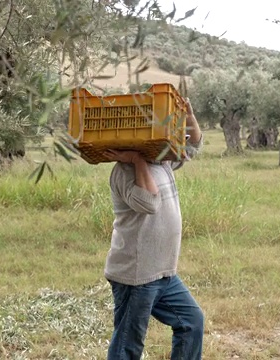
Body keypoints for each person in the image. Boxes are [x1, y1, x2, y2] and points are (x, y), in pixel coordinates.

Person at [102, 98, 204, 360]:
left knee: (191, 322)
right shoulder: (124, 171)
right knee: (128, 345)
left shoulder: (162, 161)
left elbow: (192, 146)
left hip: (163, 273)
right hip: (136, 276)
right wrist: (136, 160)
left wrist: (189, 116)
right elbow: (149, 203)